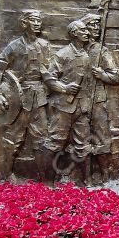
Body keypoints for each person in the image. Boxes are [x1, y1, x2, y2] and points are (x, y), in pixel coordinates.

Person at [0, 9, 51, 181]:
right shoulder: (15, 46)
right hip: (18, 98)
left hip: (39, 98)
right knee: (12, 139)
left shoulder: (45, 45)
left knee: (42, 140)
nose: (38, 23)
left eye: (39, 19)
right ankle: (6, 176)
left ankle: (45, 179)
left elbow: (51, 72)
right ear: (24, 23)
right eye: (33, 20)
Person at [42, 20, 96, 184]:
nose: (86, 32)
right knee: (54, 144)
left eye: (87, 29)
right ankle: (48, 183)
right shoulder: (63, 54)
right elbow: (48, 78)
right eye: (82, 30)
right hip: (63, 107)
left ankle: (89, 182)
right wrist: (64, 88)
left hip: (82, 108)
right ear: (73, 33)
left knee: (84, 145)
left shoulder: (86, 55)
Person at [79, 13, 119, 183]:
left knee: (101, 136)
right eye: (92, 25)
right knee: (81, 138)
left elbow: (117, 76)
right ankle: (85, 178)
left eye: (98, 25)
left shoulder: (101, 50)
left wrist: (102, 74)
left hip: (97, 99)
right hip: (77, 99)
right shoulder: (77, 50)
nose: (96, 29)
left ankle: (105, 174)